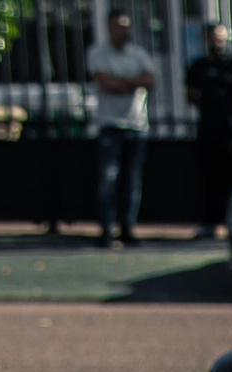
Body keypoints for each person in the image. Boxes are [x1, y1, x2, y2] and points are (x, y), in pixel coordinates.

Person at [85, 8, 157, 248]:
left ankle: (128, 227)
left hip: (137, 125)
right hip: (110, 125)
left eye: (125, 26)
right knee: (109, 178)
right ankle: (107, 228)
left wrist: (122, 82)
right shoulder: (98, 53)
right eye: (117, 26)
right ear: (109, 28)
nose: (122, 30)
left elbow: (150, 81)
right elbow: (106, 85)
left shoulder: (139, 54)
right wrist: (133, 82)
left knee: (132, 181)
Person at [185, 23, 232, 238]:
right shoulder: (198, 66)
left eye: (221, 38)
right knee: (208, 177)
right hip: (207, 129)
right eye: (213, 38)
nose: (217, 42)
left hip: (230, 130)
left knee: (231, 176)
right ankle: (209, 222)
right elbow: (191, 94)